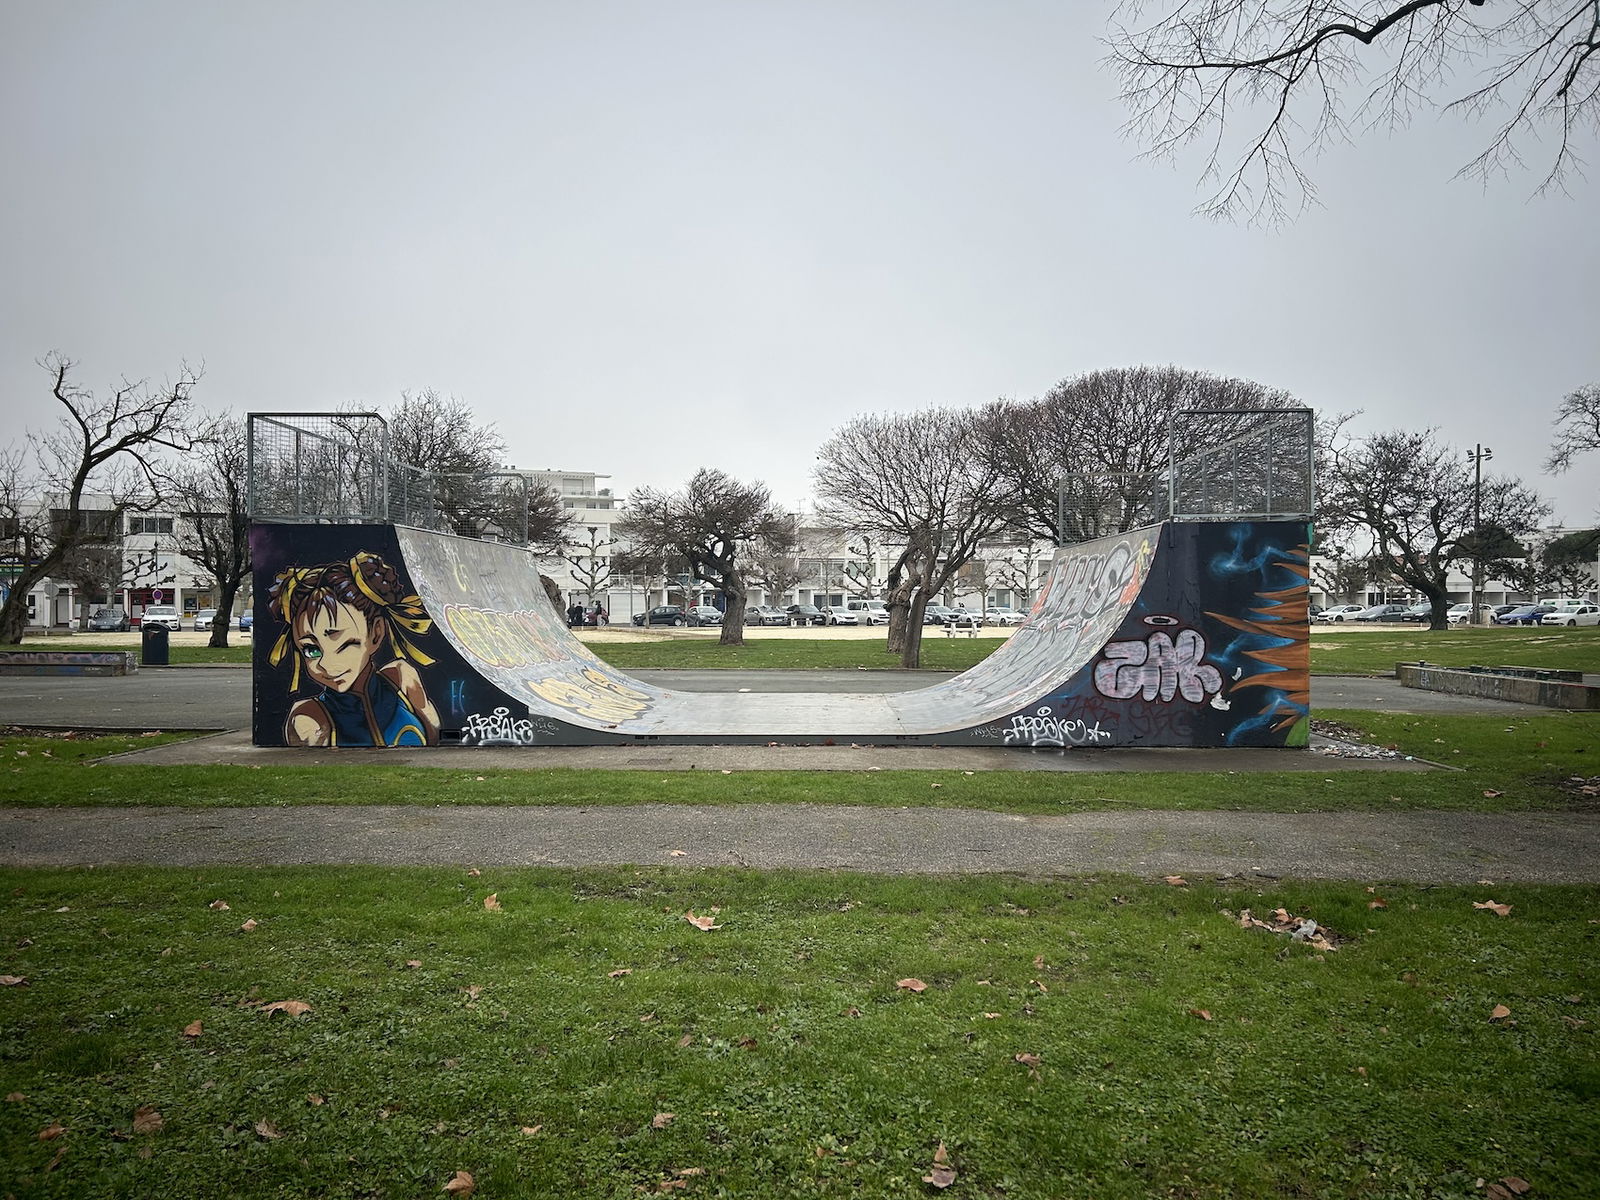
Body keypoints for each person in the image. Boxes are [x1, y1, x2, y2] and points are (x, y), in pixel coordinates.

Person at [266, 551, 441, 747]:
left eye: (345, 645)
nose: (326, 664)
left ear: (376, 633)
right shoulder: (309, 717)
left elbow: (436, 737)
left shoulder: (401, 679)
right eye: (311, 650)